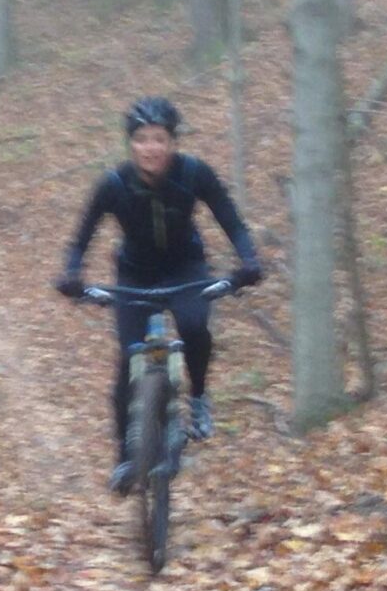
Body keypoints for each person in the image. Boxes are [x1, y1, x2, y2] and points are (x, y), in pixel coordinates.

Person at [58, 97, 263, 494]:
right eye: (142, 139)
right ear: (130, 144)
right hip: (133, 274)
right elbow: (82, 235)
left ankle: (198, 398)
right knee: (129, 359)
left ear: (172, 142)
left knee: (193, 326)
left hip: (185, 267)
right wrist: (71, 273)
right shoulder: (114, 184)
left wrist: (249, 260)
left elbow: (230, 219)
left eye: (159, 139)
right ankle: (125, 459)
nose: (151, 147)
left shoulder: (193, 173)